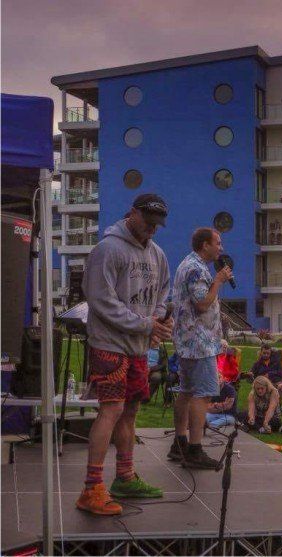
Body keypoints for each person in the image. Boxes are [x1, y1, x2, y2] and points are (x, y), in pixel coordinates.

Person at [76, 193, 172, 516]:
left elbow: (163, 292)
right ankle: (91, 489)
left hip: (138, 347)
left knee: (130, 410)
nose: (151, 231)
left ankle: (125, 476)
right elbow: (101, 301)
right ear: (132, 214)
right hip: (109, 344)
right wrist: (147, 324)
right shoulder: (108, 249)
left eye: (156, 226)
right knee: (111, 409)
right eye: (147, 223)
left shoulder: (157, 255)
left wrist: (157, 321)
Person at [170, 227, 232, 470]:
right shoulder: (196, 269)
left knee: (186, 391)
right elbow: (203, 304)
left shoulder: (189, 264)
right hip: (199, 342)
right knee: (202, 394)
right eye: (218, 243)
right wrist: (217, 281)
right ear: (204, 245)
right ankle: (195, 449)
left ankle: (180, 443)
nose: (221, 247)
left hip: (189, 341)